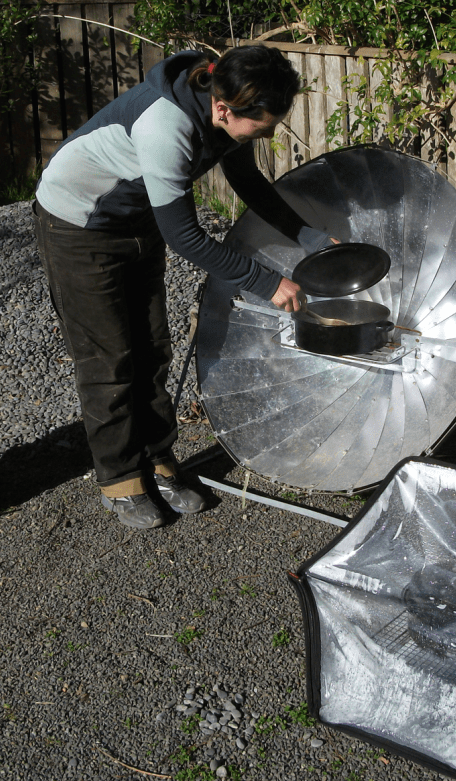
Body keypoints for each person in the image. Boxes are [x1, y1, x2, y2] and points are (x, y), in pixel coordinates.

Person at [33, 45, 332, 529]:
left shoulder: (226, 109)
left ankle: (157, 458)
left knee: (152, 348)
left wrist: (309, 237)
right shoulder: (164, 126)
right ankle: (119, 477)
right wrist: (265, 282)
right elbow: (185, 237)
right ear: (224, 109)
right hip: (79, 226)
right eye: (263, 126)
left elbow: (248, 182)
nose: (269, 133)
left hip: (138, 218)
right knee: (109, 358)